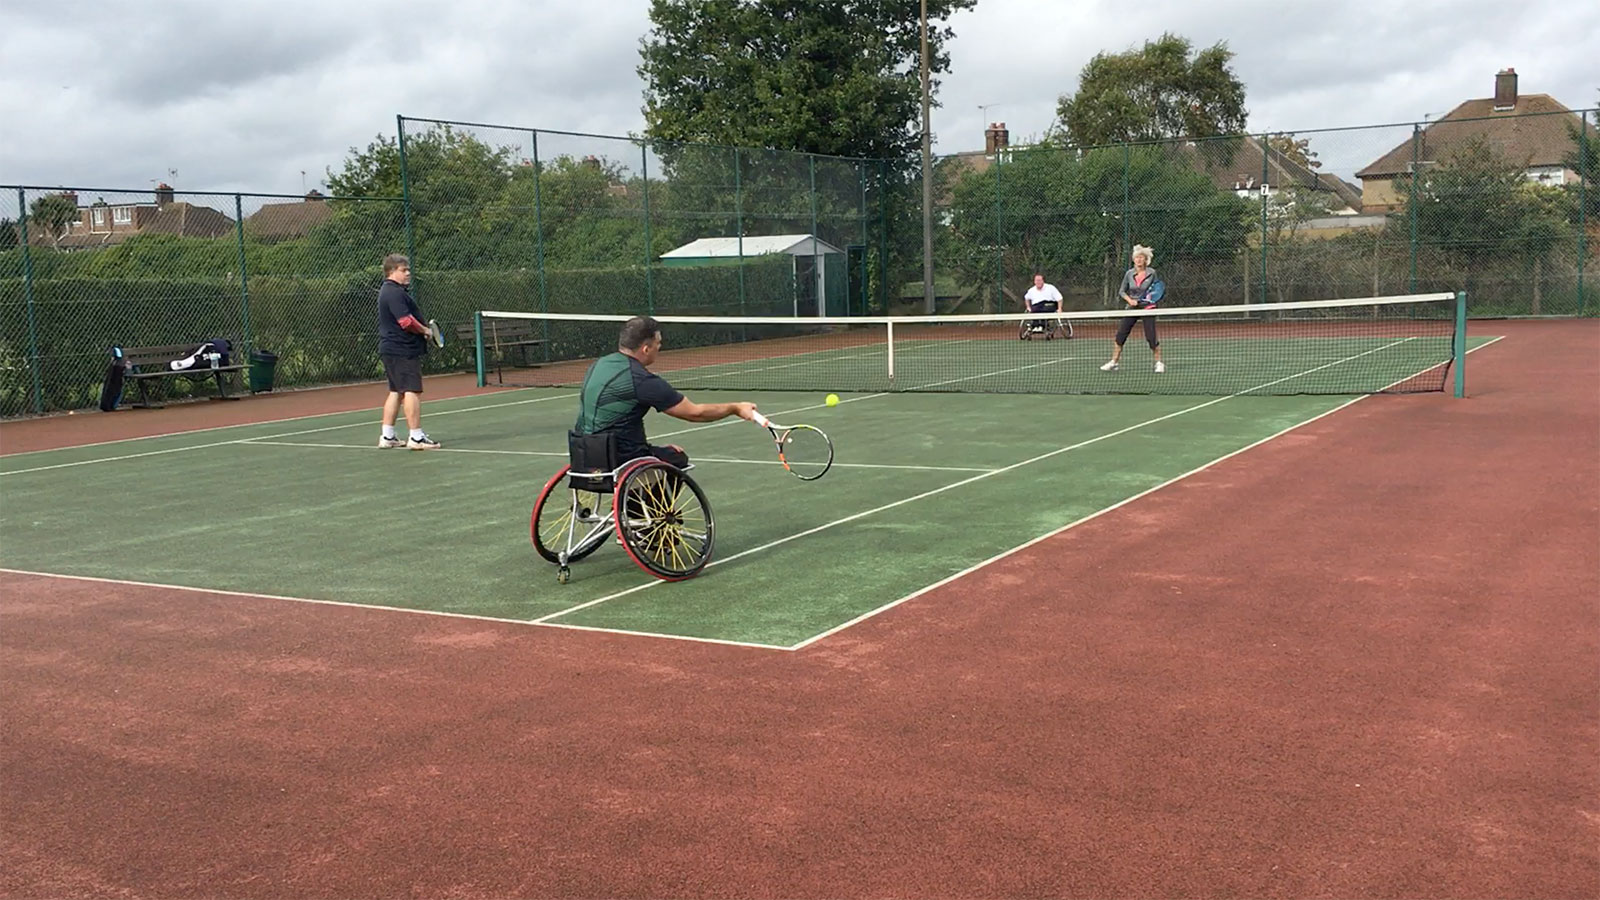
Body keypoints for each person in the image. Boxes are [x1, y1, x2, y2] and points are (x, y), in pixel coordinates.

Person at [571, 315, 759, 470]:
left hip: (585, 454)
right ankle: (657, 514)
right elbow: (695, 413)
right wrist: (735, 407)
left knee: (662, 453)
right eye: (658, 343)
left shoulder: (598, 365)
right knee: (677, 458)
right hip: (621, 459)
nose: (660, 347)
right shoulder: (642, 380)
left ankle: (639, 510)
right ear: (646, 348)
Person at [375, 254, 441, 449]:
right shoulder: (394, 293)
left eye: (408, 269)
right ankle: (416, 437)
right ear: (392, 272)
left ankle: (387, 437)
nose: (408, 273)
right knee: (411, 390)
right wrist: (425, 330)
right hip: (402, 349)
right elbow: (405, 322)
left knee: (396, 391)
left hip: (392, 349)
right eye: (403, 270)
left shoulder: (391, 291)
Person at [1100, 244, 1166, 373]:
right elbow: (1122, 291)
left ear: (1146, 259)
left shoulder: (1152, 273)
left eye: (1141, 257)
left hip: (1148, 307)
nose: (1139, 260)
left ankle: (1159, 363)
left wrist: (1149, 300)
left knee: (1151, 337)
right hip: (1132, 307)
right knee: (1121, 335)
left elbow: (1157, 289)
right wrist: (1130, 300)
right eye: (1136, 257)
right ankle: (1114, 362)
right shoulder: (1129, 274)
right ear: (1133, 259)